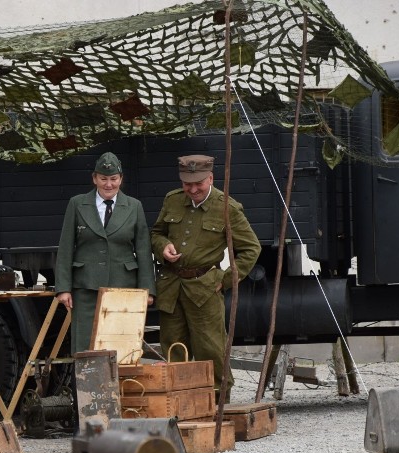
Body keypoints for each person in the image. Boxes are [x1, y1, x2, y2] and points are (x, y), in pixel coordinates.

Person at [150, 154, 261, 400]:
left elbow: (251, 248)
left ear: (210, 178)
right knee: (173, 348)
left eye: (198, 183)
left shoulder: (227, 208)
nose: (192, 189)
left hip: (205, 289)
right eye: (187, 184)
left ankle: (218, 403)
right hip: (171, 287)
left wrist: (226, 279)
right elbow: (156, 233)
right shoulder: (173, 201)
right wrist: (163, 246)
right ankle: (177, 403)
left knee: (210, 348)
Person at [55, 151, 156, 355]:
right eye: (103, 179)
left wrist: (148, 290)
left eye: (113, 179)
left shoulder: (134, 207)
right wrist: (63, 288)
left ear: (121, 179)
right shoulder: (77, 204)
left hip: (123, 287)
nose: (108, 184)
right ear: (94, 179)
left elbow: (144, 250)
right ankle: (86, 387)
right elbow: (65, 248)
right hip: (85, 287)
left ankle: (122, 387)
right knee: (85, 345)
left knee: (121, 346)